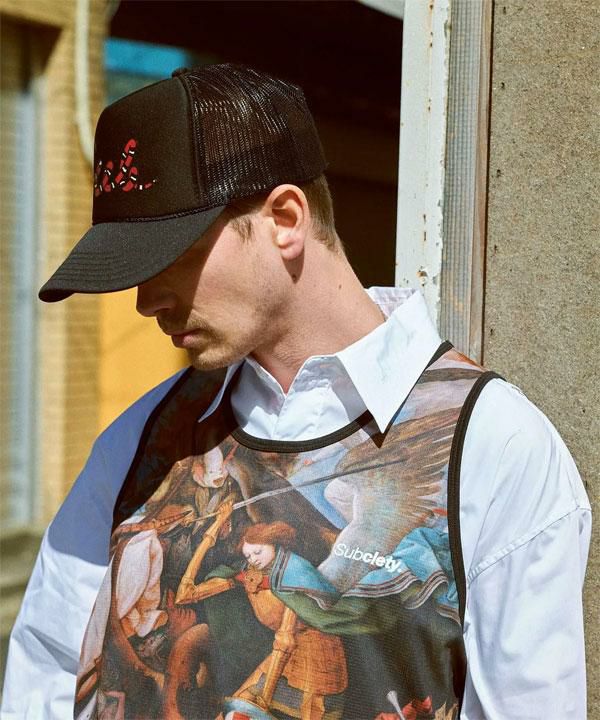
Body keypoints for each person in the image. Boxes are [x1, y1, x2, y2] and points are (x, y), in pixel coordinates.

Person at [1, 63, 591, 720]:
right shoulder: (137, 444)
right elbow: (44, 683)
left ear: (285, 218)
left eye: (170, 254)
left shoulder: (491, 446)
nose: (146, 301)